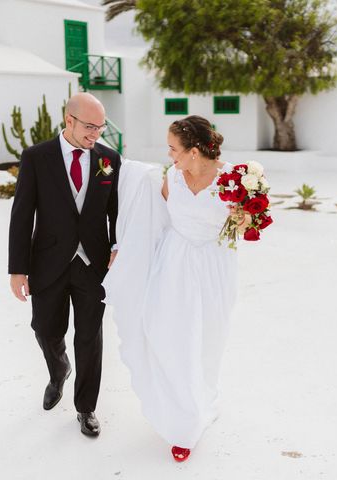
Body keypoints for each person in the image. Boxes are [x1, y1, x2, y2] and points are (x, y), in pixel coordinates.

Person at [103, 115, 241, 462]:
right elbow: (155, 216)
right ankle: (182, 422)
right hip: (174, 263)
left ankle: (201, 398)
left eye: (174, 149)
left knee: (208, 339)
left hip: (214, 266)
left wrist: (244, 218)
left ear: (195, 151)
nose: (170, 155)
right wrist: (126, 248)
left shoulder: (236, 177)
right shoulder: (171, 178)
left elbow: (250, 223)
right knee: (167, 335)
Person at [8, 92, 121, 437]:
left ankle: (86, 408)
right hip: (48, 262)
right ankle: (59, 371)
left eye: (101, 128)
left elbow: (117, 210)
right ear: (68, 120)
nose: (95, 135)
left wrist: (118, 244)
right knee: (45, 328)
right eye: (89, 127)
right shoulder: (36, 157)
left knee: (90, 337)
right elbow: (22, 214)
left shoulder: (109, 159)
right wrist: (17, 269)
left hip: (93, 264)